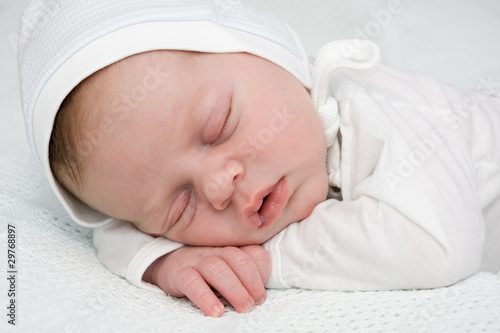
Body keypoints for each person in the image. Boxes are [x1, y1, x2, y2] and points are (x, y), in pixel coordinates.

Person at [18, 0, 500, 318]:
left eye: (219, 125)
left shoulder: (382, 112)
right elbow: (113, 230)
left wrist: (264, 261)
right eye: (179, 206)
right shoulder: (152, 206)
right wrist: (163, 263)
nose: (217, 187)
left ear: (273, 53)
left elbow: (434, 247)